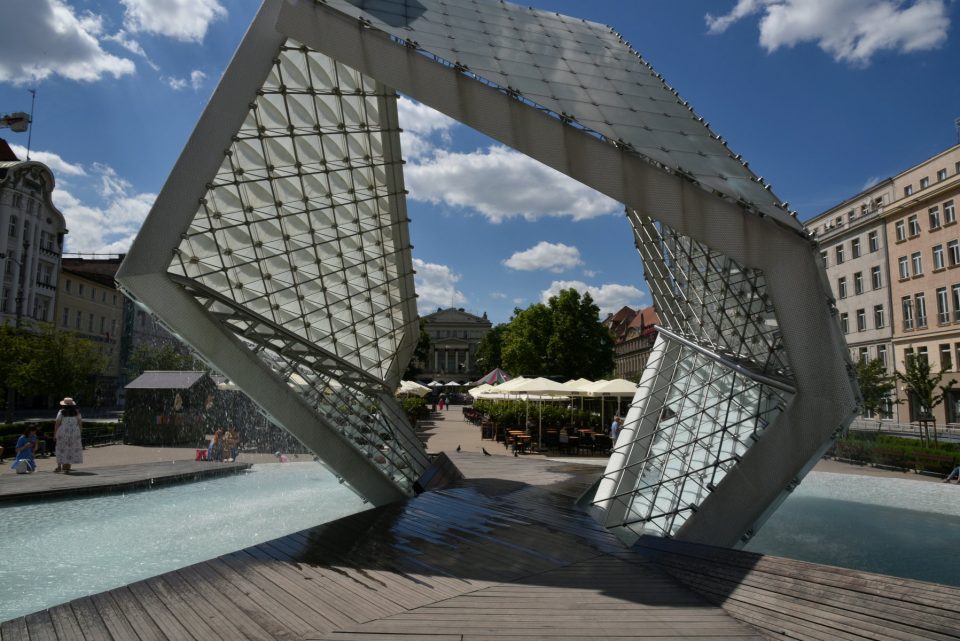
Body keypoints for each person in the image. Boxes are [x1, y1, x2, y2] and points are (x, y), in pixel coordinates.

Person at [54, 397, 83, 473]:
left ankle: (59, 466)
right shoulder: (77, 412)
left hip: (63, 432)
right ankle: (67, 467)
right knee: (70, 449)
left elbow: (57, 424)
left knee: (61, 448)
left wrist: (55, 434)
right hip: (74, 432)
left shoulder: (61, 412)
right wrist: (79, 432)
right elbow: (80, 423)